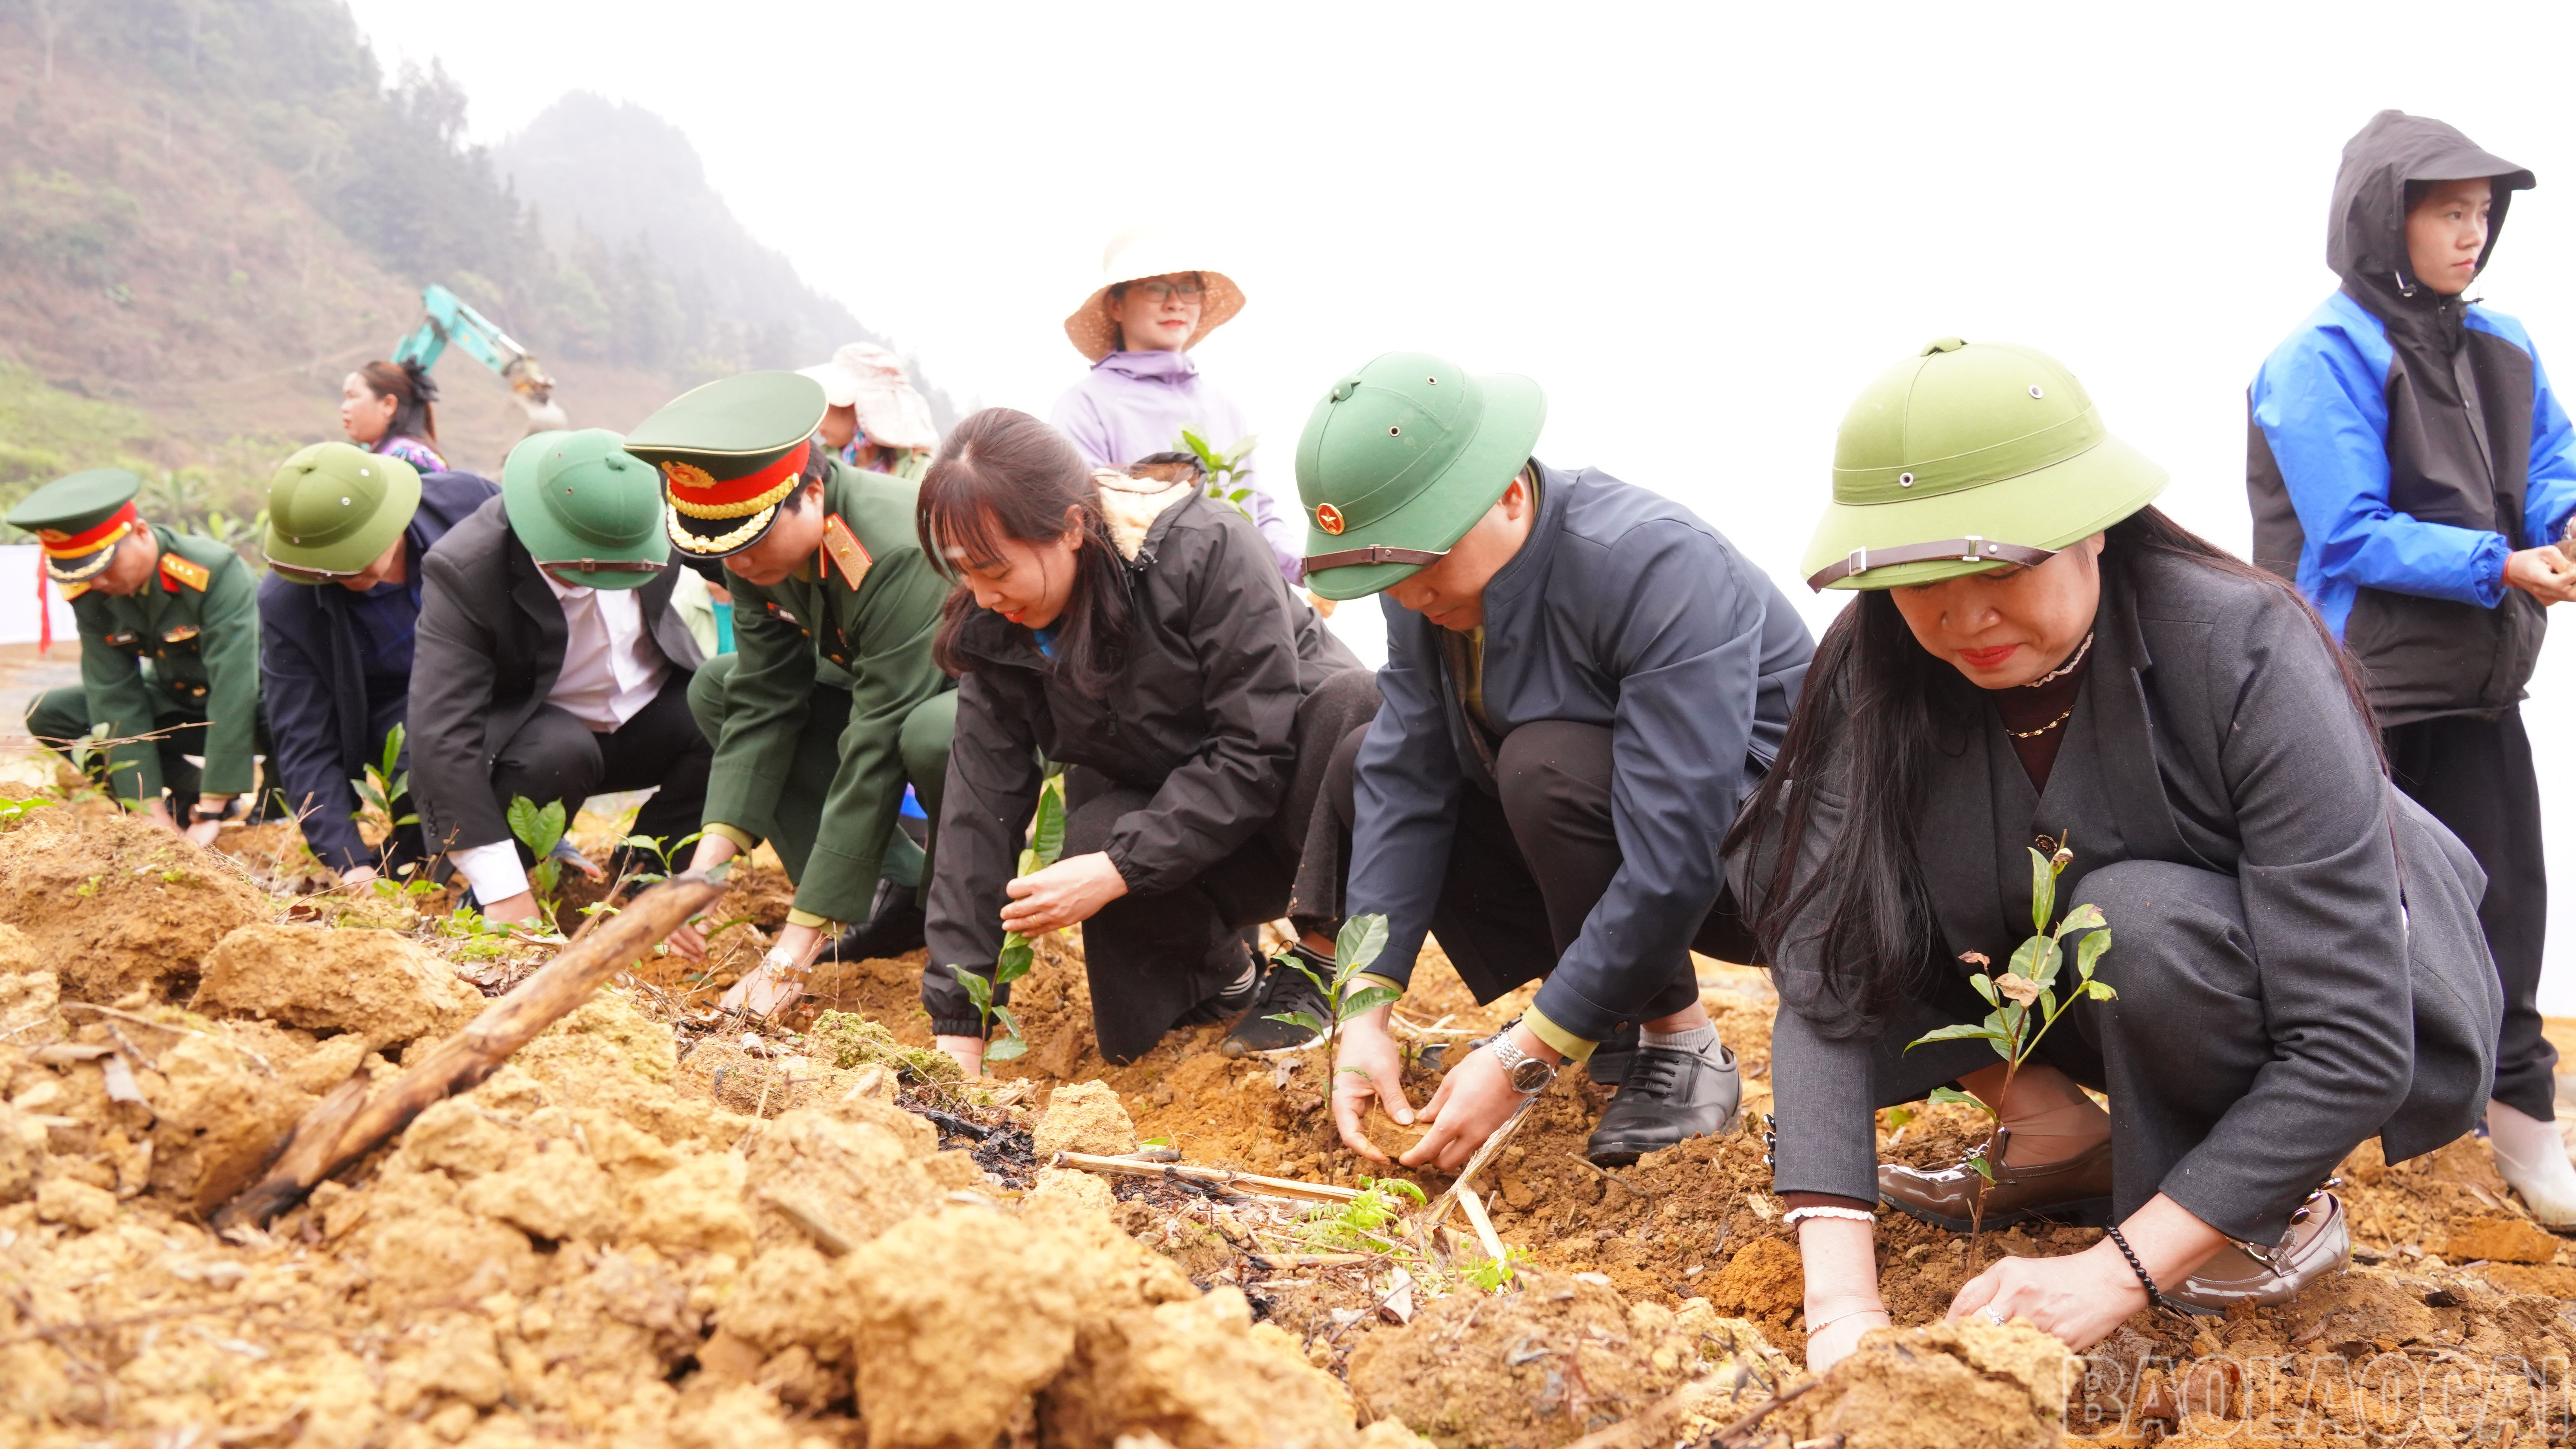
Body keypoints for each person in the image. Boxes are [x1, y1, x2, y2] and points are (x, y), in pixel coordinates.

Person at [1736, 337, 2499, 1371]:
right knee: (1840, 884)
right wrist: (1842, 1316)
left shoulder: (2242, 647)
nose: (1963, 616)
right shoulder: (1878, 664)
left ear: (2092, 525)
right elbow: (1828, 967)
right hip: (2086, 992)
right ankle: (2060, 1140)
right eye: (1921, 581)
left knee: (2131, 916)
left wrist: (2113, 1274)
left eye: (1998, 563)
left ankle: (2266, 1205)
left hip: (2311, 991)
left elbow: (2352, 1038)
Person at [1301, 352, 1814, 1170]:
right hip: (1628, 833)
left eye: (1420, 565)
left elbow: (1679, 848)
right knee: (1371, 757)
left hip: (1768, 866)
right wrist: (1365, 1008)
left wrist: (1519, 1059)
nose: (1407, 595)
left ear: (1508, 492)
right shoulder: (1425, 586)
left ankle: (1678, 1047)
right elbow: (1406, 780)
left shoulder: (1652, 563)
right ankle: (1599, 1022)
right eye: (1385, 575)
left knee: (1544, 764)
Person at [2248, 110, 2576, 1225]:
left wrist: (2569, 527)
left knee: (2510, 904)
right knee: (2366, 919)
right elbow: (2347, 532)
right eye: (2447, 210)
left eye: (2483, 213)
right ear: (2384, 216)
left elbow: (2551, 470)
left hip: (2480, 690)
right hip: (2350, 694)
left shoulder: (2507, 346)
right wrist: (2506, 565)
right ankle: (2348, 1144)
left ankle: (2524, 1130)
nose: (2470, 233)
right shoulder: (2318, 357)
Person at [920, 408, 1375, 1072]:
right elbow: (976, 818)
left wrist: (1118, 870)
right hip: (1192, 835)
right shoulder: (999, 631)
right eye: (965, 574)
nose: (985, 597)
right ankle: (1222, 978)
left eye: (998, 571)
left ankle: (1318, 962)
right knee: (1093, 833)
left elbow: (1255, 750)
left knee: (1353, 705)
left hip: (1300, 817)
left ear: (1072, 527)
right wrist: (960, 1025)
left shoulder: (1206, 549)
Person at [628, 372, 957, 1013]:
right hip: (878, 688)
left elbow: (878, 743)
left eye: (752, 542)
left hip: (969, 704)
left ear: (812, 493)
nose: (740, 565)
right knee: (719, 687)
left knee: (929, 736)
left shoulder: (890, 545)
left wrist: (788, 956)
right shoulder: (747, 543)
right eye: (727, 549)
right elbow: (762, 699)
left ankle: (949, 905)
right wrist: (707, 868)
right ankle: (882, 886)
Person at [408, 430, 710, 925]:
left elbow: (744, 560)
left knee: (723, 708)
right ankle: (488, 901)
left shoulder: (645, 507)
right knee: (558, 752)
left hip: (646, 717)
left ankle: (644, 876)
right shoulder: (469, 568)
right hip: (540, 742)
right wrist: (501, 887)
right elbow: (440, 734)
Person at [258, 443, 499, 882]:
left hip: (496, 676)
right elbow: (304, 737)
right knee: (420, 751)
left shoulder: (469, 506)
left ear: (394, 517)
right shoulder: (288, 603)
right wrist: (351, 864)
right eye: (327, 568)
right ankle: (428, 862)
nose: (344, 575)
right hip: (399, 712)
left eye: (354, 555)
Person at [15, 468, 266, 844]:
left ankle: (278, 805)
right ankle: (188, 786)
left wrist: (210, 811)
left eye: (106, 566)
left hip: (255, 708)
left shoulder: (213, 571)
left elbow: (234, 687)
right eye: (85, 573)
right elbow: (113, 693)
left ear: (142, 533)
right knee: (52, 711)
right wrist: (149, 812)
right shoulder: (91, 591)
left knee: (299, 712)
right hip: (175, 701)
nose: (97, 582)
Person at [1051, 227, 1306, 588]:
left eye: (1188, 287)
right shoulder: (1085, 406)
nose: (1175, 302)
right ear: (1116, 304)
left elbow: (1257, 513)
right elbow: (1090, 528)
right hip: (1155, 619)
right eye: (1156, 286)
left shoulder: (1223, 407)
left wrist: (1305, 567)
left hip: (1249, 600)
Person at [800, 343, 940, 481]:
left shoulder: (917, 470)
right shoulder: (815, 464)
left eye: (826, 403)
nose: (818, 417)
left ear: (855, 409)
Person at [342, 360, 447, 473]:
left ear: (388, 404)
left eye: (352, 397)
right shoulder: (395, 455)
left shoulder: (406, 456)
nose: (344, 408)